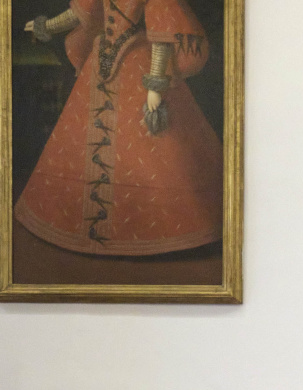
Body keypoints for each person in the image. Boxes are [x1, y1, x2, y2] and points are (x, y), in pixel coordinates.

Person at [17, 0, 221, 256]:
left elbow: (162, 30)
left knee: (157, 152)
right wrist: (46, 26)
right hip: (101, 60)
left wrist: (155, 85)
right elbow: (81, 12)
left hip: (138, 62)